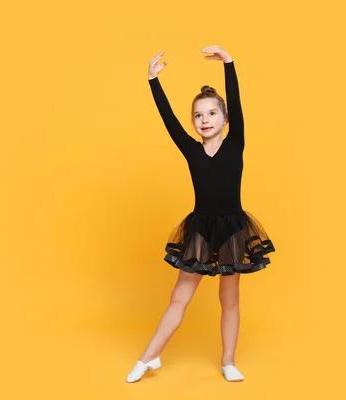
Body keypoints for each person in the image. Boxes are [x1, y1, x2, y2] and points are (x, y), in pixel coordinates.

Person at [125, 46, 275, 383]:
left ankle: (228, 361)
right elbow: (168, 120)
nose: (204, 120)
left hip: (234, 229)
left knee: (230, 300)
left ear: (225, 119)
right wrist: (153, 81)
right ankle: (149, 357)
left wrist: (229, 63)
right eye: (198, 115)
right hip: (201, 230)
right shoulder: (191, 149)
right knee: (179, 297)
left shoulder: (236, 143)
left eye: (211, 114)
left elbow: (235, 101)